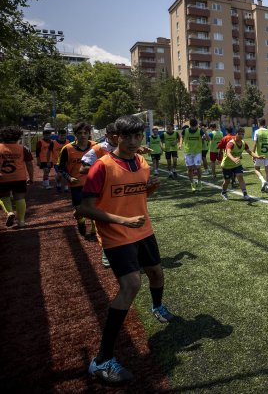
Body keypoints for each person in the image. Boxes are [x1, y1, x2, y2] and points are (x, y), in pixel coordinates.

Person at [78, 115, 172, 385]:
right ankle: (102, 361)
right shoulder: (102, 166)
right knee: (131, 285)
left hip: (143, 230)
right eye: (127, 137)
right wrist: (122, 220)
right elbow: (85, 208)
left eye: (137, 136)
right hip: (116, 234)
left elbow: (137, 196)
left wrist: (149, 190)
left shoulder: (142, 162)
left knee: (157, 273)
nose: (132, 142)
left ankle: (158, 307)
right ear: (116, 137)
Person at [57, 122, 96, 238]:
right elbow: (61, 167)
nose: (83, 135)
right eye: (80, 133)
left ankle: (94, 231)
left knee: (94, 207)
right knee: (80, 209)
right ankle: (80, 221)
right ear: (75, 134)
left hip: (93, 183)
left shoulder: (96, 146)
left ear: (89, 134)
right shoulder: (67, 149)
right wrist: (69, 178)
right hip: (76, 184)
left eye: (85, 133)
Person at [0, 126, 35, 228]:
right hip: (19, 177)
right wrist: (31, 178)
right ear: (18, 136)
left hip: (3, 177)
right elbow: (29, 164)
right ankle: (21, 222)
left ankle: (9, 212)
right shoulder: (23, 148)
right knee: (20, 198)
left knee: (3, 196)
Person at [219, 129, 256, 201]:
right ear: (236, 134)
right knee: (227, 181)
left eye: (243, 134)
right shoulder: (231, 143)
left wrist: (257, 156)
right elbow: (228, 152)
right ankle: (223, 192)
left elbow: (250, 152)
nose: (241, 136)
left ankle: (245, 194)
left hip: (237, 164)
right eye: (240, 134)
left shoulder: (243, 143)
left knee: (240, 176)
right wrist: (233, 159)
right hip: (227, 165)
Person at [180, 118, 205, 191]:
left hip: (197, 152)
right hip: (188, 152)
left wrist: (204, 136)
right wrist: (180, 144)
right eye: (192, 126)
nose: (194, 128)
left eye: (195, 126)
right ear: (190, 125)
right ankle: (192, 183)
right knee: (189, 169)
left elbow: (204, 137)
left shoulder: (200, 131)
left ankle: (199, 182)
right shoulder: (185, 130)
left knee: (198, 167)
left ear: (197, 125)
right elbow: (181, 136)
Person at [252, 118, 268, 193]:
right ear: (265, 123)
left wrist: (253, 154)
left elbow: (255, 144)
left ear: (258, 123)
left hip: (259, 154)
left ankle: (263, 181)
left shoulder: (257, 132)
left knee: (256, 169)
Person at [35, 123, 55, 189]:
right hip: (42, 160)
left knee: (47, 172)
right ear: (43, 135)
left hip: (50, 160)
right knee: (46, 171)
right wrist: (38, 160)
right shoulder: (39, 142)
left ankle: (44, 184)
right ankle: (47, 185)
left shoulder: (52, 142)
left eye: (48, 135)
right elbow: (37, 152)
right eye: (46, 135)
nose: (47, 136)